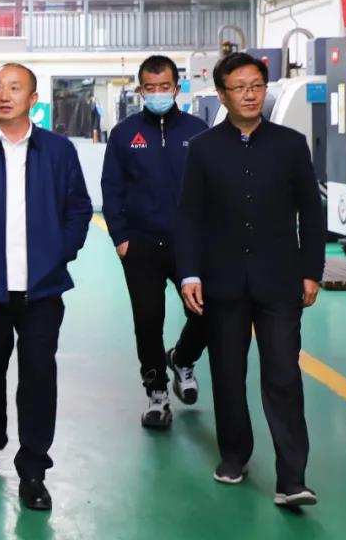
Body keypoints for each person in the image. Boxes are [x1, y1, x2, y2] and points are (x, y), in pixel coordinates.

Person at [0, 63, 92, 512]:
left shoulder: (58, 151)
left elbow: (79, 209)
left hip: (41, 289)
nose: (4, 95)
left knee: (38, 375)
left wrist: (58, 253)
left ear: (33, 99)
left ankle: (33, 469)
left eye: (14, 88)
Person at [176, 52, 324, 508]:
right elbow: (189, 216)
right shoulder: (203, 148)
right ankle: (234, 455)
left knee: (284, 375)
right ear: (222, 95)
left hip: (279, 280)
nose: (250, 94)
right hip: (222, 281)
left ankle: (292, 478)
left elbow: (311, 211)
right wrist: (190, 273)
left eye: (257, 86)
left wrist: (311, 270)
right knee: (227, 374)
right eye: (239, 87)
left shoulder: (290, 145)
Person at [101, 55, 209, 429]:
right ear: (140, 90)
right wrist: (121, 238)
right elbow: (111, 187)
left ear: (176, 88)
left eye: (165, 86)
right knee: (148, 321)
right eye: (151, 87)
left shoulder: (198, 131)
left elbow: (211, 186)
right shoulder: (124, 134)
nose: (158, 93)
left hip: (189, 243)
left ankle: (182, 358)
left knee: (206, 311)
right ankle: (157, 394)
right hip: (141, 244)